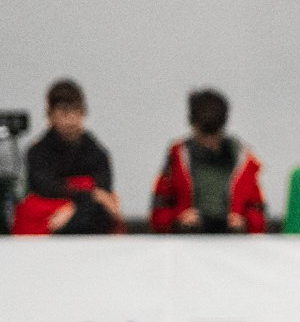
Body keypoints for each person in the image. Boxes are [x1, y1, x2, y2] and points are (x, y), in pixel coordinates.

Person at [149, 89, 268, 233]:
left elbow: (258, 209)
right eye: (203, 134)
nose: (208, 141)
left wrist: (246, 222)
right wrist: (176, 220)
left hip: (233, 240)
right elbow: (160, 207)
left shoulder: (244, 160)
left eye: (214, 133)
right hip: (188, 236)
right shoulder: (177, 156)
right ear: (193, 125)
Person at [13, 79, 120, 235]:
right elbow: (45, 187)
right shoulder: (38, 152)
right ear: (50, 116)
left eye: (76, 112)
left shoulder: (96, 152)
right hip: (49, 219)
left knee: (100, 211)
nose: (71, 120)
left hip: (85, 213)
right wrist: (85, 196)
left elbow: (104, 187)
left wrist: (76, 207)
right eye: (64, 113)